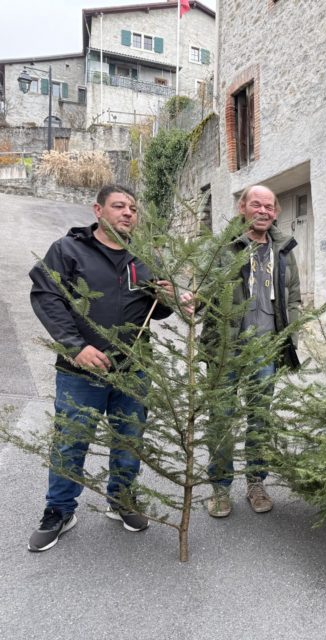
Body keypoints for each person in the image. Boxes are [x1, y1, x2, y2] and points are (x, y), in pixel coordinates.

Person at [28, 184, 185, 551]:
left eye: (133, 207)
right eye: (119, 206)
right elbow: (46, 297)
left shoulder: (143, 256)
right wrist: (75, 347)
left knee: (129, 441)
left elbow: (158, 311)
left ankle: (122, 500)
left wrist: (168, 297)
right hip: (81, 372)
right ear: (98, 211)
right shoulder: (68, 251)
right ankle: (60, 511)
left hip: (134, 371)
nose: (128, 212)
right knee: (70, 443)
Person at [202, 185, 301, 518]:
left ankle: (256, 482)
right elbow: (202, 289)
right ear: (242, 208)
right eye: (255, 204)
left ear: (276, 212)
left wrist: (288, 338)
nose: (263, 210)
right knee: (221, 419)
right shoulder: (223, 248)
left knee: (260, 419)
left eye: (269, 206)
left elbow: (294, 298)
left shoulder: (284, 250)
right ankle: (219, 488)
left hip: (266, 350)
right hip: (227, 350)